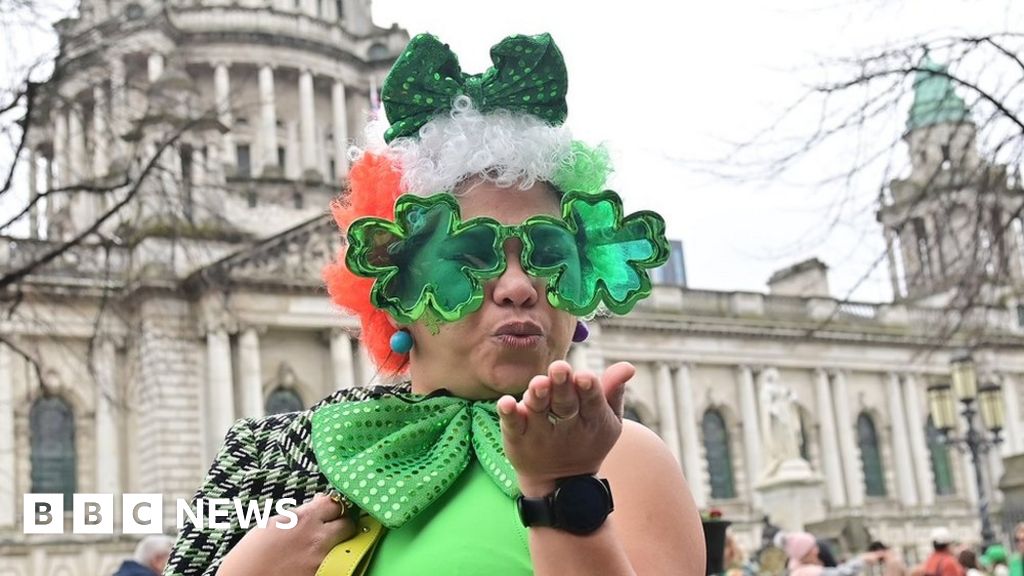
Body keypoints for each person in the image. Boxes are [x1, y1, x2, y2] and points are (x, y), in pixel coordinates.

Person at [163, 32, 704, 576]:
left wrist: (566, 493)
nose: (518, 286)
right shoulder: (289, 459)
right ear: (393, 294)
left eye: (548, 254)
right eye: (468, 256)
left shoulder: (624, 459)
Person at [780, 531, 882, 576]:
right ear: (803, 555)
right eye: (812, 549)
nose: (817, 551)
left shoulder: (796, 569)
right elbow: (840, 574)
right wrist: (862, 559)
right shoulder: (805, 573)